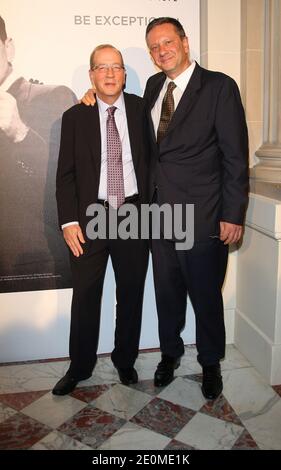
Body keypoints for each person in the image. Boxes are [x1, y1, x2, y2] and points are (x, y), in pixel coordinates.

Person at [82, 17, 249, 400]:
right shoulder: (155, 87)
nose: (161, 51)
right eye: (154, 46)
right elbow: (119, 110)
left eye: (168, 42)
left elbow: (235, 156)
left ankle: (210, 363)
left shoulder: (219, 87)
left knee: (205, 295)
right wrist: (90, 96)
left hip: (204, 215)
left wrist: (233, 214)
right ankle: (170, 355)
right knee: (167, 294)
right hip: (159, 217)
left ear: (185, 43)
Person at [52, 44, 149, 395]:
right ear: (92, 75)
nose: (110, 73)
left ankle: (125, 361)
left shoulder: (142, 109)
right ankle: (79, 366)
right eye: (102, 67)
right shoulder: (75, 116)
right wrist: (68, 222)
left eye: (117, 67)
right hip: (90, 218)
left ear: (124, 74)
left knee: (131, 294)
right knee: (86, 296)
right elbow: (65, 175)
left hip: (135, 216)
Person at [0, 15, 77, 293]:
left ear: (9, 47)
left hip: (32, 269)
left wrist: (20, 133)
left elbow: (68, 184)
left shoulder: (53, 97)